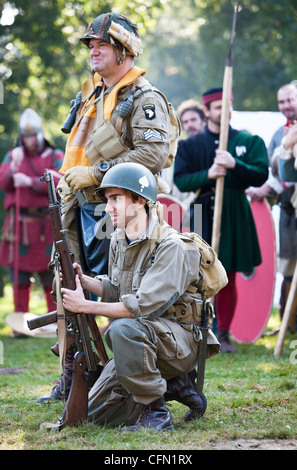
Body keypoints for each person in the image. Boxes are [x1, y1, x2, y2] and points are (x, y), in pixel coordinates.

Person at [38, 11, 176, 402]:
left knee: (110, 292)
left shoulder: (145, 97)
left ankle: (121, 382)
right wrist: (68, 176)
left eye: (101, 44)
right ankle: (73, 374)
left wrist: (96, 173)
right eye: (91, 45)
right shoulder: (92, 92)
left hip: (118, 209)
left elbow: (151, 154)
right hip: (77, 205)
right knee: (69, 284)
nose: (93, 51)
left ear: (124, 50)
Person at [60, 162, 220, 431]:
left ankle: (155, 412)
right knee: (92, 414)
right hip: (148, 336)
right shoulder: (120, 239)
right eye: (108, 200)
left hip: (181, 341)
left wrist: (85, 306)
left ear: (141, 201)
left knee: (122, 330)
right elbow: (120, 291)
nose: (108, 207)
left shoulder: (171, 247)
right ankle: (175, 385)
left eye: (115, 199)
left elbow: (141, 306)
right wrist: (83, 281)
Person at [174, 87, 268, 352]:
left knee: (230, 274)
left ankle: (223, 333)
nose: (223, 110)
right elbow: (181, 178)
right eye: (217, 107)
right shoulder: (190, 145)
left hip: (235, 209)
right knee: (200, 274)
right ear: (207, 111)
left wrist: (235, 165)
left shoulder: (249, 141)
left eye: (227, 105)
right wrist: (209, 173)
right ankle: (198, 330)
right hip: (204, 209)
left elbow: (261, 174)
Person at [0, 108, 64, 319]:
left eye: (32, 135)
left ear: (40, 134)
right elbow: (3, 182)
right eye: (25, 136)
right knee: (19, 276)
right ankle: (20, 321)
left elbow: (61, 181)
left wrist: (32, 182)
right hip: (19, 224)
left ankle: (54, 321)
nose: (29, 140)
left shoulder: (54, 156)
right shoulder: (13, 155)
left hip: (46, 224)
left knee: (50, 274)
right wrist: (13, 169)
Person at [247, 84, 297, 322]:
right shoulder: (279, 133)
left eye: (290, 100)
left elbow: (288, 178)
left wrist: (267, 188)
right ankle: (289, 324)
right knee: (287, 268)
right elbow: (276, 172)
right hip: (289, 211)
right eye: (282, 102)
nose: (287, 105)